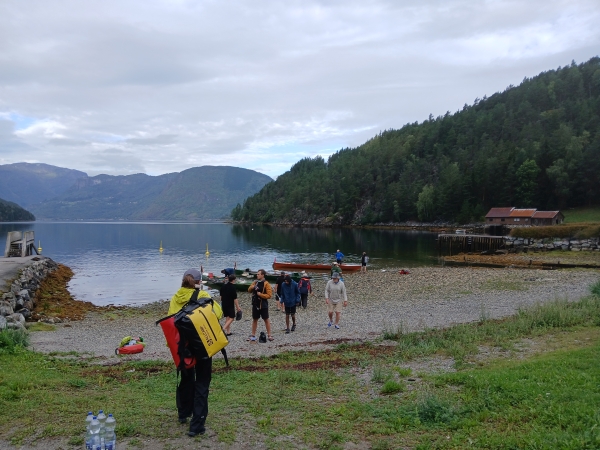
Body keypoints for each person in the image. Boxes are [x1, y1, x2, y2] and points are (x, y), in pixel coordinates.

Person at [168, 269, 213, 437]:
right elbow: (218, 312)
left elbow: (170, 321)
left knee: (186, 379)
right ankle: (197, 425)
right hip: (201, 345)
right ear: (198, 282)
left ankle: (183, 413)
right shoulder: (202, 295)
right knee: (202, 382)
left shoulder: (175, 297)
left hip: (182, 347)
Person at [247, 269, 274, 342]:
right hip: (255, 304)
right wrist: (252, 287)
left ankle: (269, 335)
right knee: (255, 319)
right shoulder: (255, 282)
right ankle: (253, 335)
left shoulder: (266, 284)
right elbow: (249, 290)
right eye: (257, 274)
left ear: (262, 275)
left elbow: (269, 295)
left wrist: (261, 295)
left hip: (263, 304)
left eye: (258, 274)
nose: (257, 275)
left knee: (266, 319)